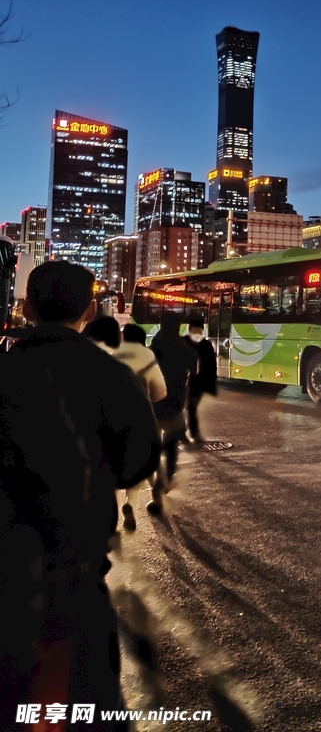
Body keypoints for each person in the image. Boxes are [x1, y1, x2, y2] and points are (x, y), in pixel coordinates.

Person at [0, 261, 160, 728]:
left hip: (7, 574)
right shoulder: (112, 376)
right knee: (88, 706)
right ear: (89, 310)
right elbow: (138, 462)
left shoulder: (7, 369)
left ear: (26, 308)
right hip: (76, 575)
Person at [113, 325, 167, 530]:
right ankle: (134, 502)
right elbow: (160, 391)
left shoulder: (114, 353)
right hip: (143, 418)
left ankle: (150, 497)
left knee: (126, 461)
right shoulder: (146, 354)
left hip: (116, 419)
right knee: (148, 458)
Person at [149, 314, 198, 514]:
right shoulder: (185, 347)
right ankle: (168, 477)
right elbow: (194, 373)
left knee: (152, 447)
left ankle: (157, 494)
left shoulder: (155, 345)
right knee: (170, 445)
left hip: (154, 402)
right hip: (176, 402)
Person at [183, 317, 217, 443]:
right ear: (190, 330)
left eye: (200, 331)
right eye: (195, 331)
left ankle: (192, 432)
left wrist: (211, 385)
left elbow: (212, 366)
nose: (198, 334)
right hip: (181, 381)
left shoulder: (206, 345)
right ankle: (186, 432)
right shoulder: (183, 342)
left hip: (197, 383)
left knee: (190, 407)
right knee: (185, 407)